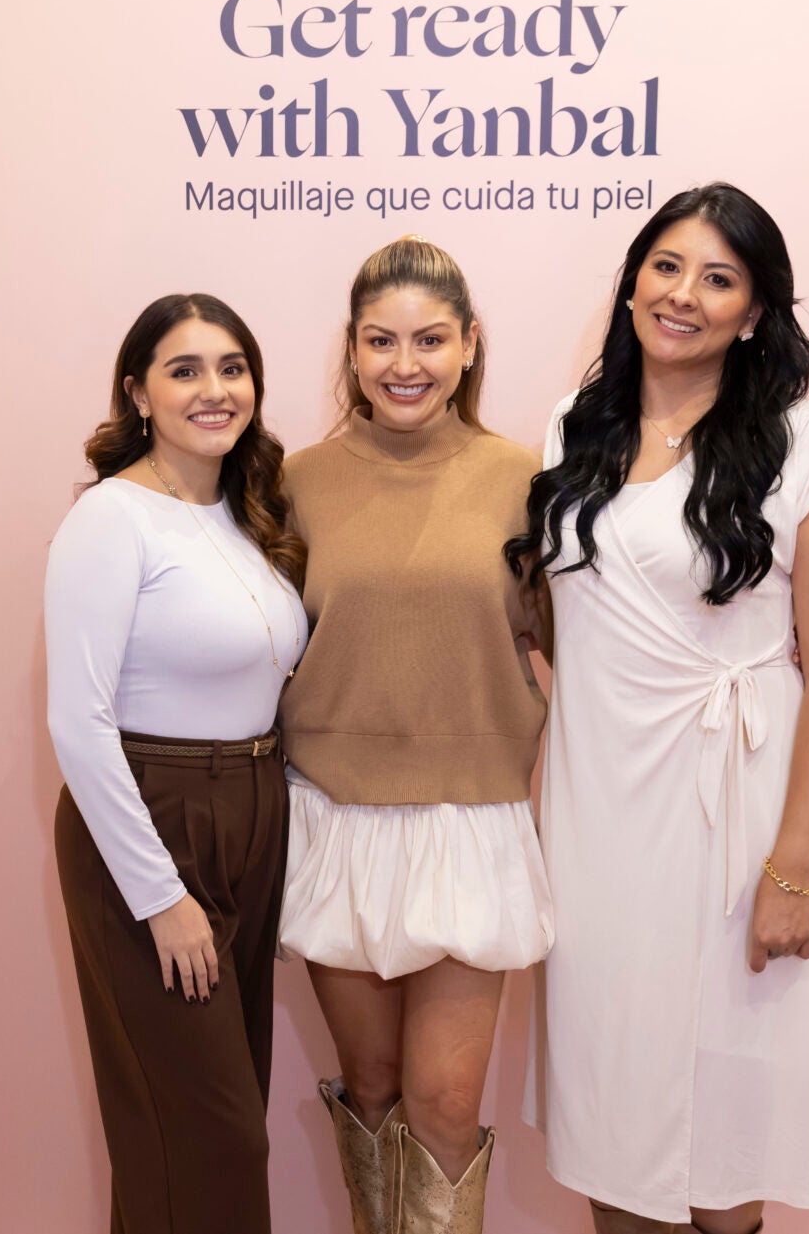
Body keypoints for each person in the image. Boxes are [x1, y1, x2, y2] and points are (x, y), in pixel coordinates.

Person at [511, 182, 809, 1234]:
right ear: (631, 284)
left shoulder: (804, 443)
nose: (684, 294)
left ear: (755, 312)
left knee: (723, 1159)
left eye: (719, 278)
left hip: (740, 827)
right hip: (599, 825)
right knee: (612, 1140)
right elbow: (554, 613)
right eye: (666, 266)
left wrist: (792, 869)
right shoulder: (573, 431)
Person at [281, 236, 555, 1233]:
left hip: (470, 820)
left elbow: (570, 640)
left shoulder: (525, 478)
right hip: (335, 817)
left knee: (444, 1104)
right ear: (350, 353)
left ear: (471, 344)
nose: (407, 363)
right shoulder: (295, 483)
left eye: (431, 339)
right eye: (382, 341)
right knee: (374, 1086)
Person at [45, 293, 308, 1234]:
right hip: (151, 823)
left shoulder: (249, 514)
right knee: (209, 1137)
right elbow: (79, 721)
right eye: (185, 369)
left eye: (232, 366)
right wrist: (160, 894)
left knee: (203, 1128)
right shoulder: (113, 520)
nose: (214, 389)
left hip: (248, 814)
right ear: (138, 392)